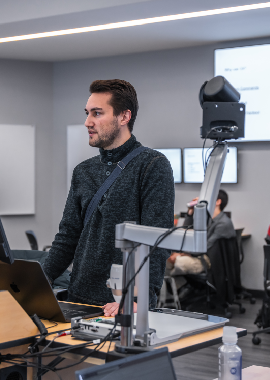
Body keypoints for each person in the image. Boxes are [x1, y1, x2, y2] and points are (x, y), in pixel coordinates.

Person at [42, 79, 175, 316]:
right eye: (87, 113)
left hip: (122, 304)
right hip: (79, 297)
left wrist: (142, 298)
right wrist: (41, 279)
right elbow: (68, 236)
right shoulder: (83, 171)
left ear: (124, 117)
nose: (87, 122)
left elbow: (157, 241)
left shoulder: (153, 166)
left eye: (97, 113)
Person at [166, 189, 236, 290]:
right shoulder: (208, 219)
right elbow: (187, 231)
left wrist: (180, 254)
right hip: (198, 255)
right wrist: (190, 212)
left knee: (178, 262)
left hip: (208, 259)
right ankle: (179, 287)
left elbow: (204, 247)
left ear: (218, 202)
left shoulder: (223, 223)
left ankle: (181, 286)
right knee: (165, 261)